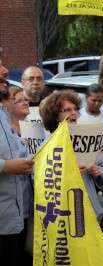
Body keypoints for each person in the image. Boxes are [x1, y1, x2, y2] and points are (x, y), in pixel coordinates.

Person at [39, 90, 103, 222]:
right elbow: (40, 180)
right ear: (55, 115)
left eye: (75, 109)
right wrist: (68, 174)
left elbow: (101, 168)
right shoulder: (47, 145)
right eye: (67, 110)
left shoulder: (86, 138)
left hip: (90, 212)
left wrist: (98, 172)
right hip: (64, 216)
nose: (73, 113)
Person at [0, 64, 34, 266]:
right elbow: (8, 162)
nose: (5, 70)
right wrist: (5, 166)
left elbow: (17, 151)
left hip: (14, 218)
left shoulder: (2, 114)